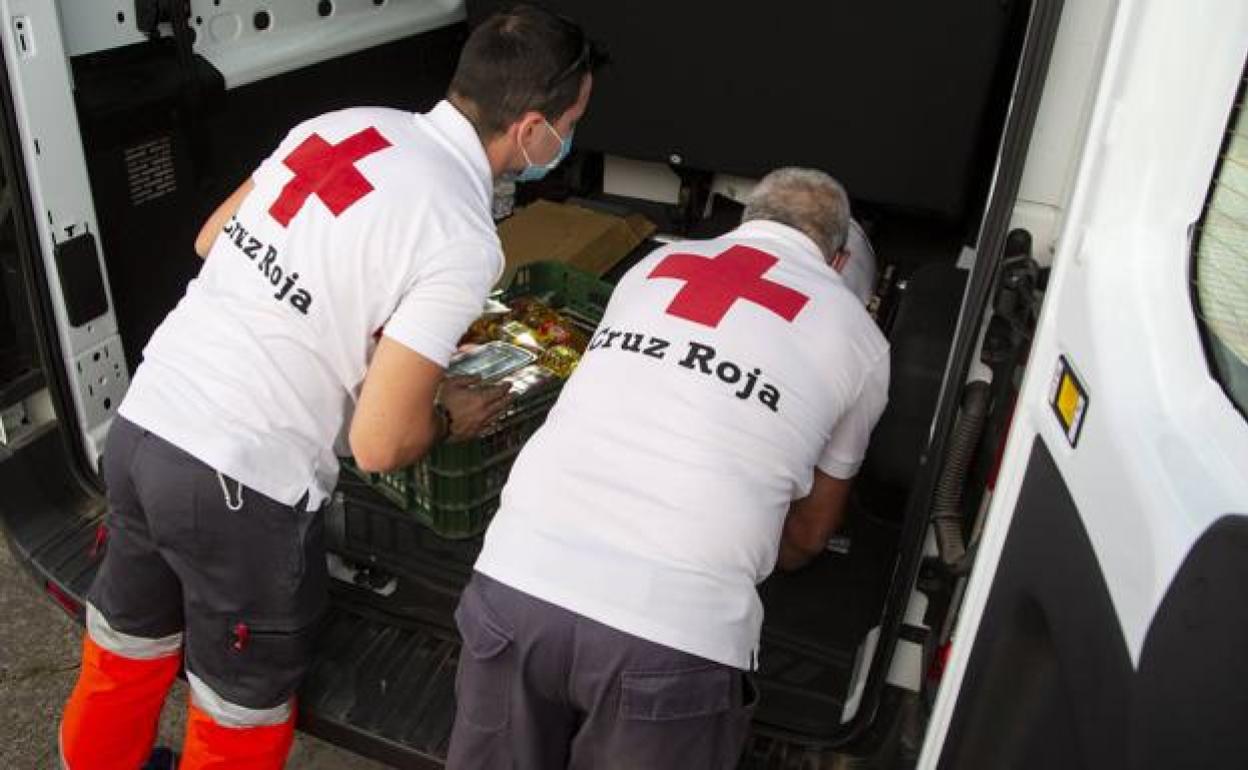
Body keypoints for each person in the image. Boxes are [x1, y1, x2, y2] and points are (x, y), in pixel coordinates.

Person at [58, 6, 602, 768]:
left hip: (146, 421)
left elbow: (213, 239)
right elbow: (379, 445)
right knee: (237, 705)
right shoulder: (460, 232)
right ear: (534, 131)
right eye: (571, 122)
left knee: (126, 639)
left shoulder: (340, 123)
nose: (566, 141)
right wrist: (448, 416)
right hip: (238, 484)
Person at [449, 167, 891, 769]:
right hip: (671, 635)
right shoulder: (860, 338)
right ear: (838, 262)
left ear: (747, 225)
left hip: (515, 583)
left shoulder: (656, 268)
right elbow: (809, 536)